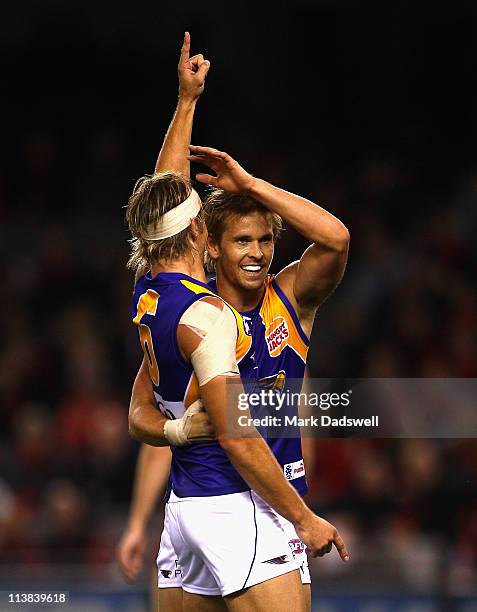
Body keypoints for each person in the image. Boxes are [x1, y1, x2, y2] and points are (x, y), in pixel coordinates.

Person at [124, 33, 348, 612]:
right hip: (251, 505)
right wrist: (303, 518)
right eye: (242, 239)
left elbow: (336, 239)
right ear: (210, 248)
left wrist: (249, 184)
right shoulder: (204, 313)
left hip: (190, 507)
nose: (257, 252)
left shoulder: (286, 300)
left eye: (266, 239)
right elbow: (171, 204)